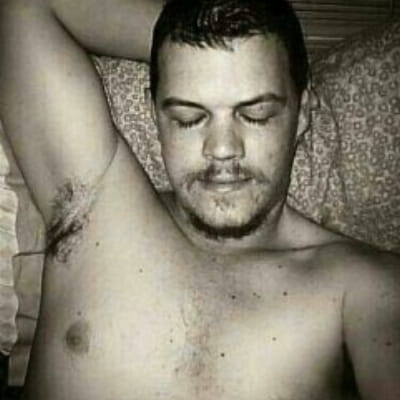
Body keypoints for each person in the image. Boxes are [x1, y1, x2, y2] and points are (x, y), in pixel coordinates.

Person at [0, 0, 399, 398]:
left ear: (304, 113)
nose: (222, 149)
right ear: (154, 114)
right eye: (189, 118)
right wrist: (192, 41)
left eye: (256, 114)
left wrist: (246, 50)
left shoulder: (363, 287)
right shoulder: (94, 202)